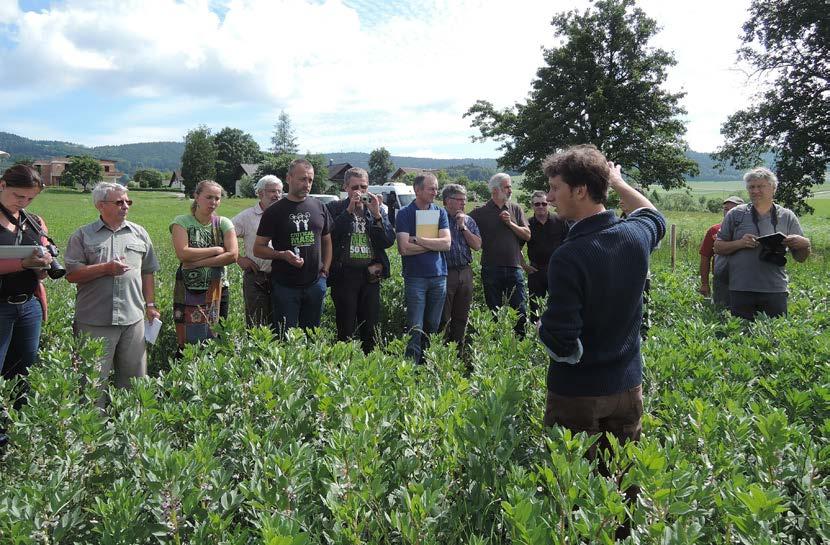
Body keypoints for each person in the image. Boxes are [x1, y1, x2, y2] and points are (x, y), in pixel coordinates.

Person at [538, 146, 665, 539]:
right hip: (628, 385)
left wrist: (543, 330)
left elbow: (562, 339)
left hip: (578, 392)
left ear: (579, 191)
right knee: (621, 481)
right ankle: (620, 535)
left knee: (572, 486)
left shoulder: (570, 254)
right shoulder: (634, 235)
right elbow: (654, 215)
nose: (549, 195)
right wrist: (617, 181)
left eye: (555, 187)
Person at [65, 182, 160, 405]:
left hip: (133, 319)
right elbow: (72, 275)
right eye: (119, 202)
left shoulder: (140, 233)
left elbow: (147, 272)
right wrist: (105, 269)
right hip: (94, 321)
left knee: (134, 382)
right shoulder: (82, 235)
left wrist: (150, 305)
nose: (125, 206)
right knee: (91, 385)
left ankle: (128, 432)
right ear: (100, 205)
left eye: (128, 201)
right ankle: (93, 436)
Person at [0, 165, 54, 446]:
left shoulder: (34, 221)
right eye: (18, 196)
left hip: (28, 305)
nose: (22, 203)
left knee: (23, 370)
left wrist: (42, 267)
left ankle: (16, 433)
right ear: (2, 185)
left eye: (30, 199)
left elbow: (43, 256)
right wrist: (22, 263)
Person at [714, 168, 811, 320]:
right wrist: (740, 243)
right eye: (751, 187)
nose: (755, 190)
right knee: (740, 337)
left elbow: (801, 258)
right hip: (741, 289)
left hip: (775, 289)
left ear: (773, 188)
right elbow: (718, 247)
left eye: (761, 186)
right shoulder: (736, 214)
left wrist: (804, 244)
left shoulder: (787, 216)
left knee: (774, 338)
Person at [254, 159, 332, 334]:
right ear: (288, 178)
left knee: (311, 338)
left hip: (315, 284)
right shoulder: (274, 211)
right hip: (285, 286)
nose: (307, 184)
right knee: (284, 337)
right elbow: (258, 248)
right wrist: (282, 255)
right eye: (302, 179)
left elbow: (327, 240)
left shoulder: (319, 207)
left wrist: (325, 272)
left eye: (310, 180)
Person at [326, 167, 395, 353]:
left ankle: (368, 367)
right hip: (344, 276)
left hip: (370, 276)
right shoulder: (334, 208)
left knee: (370, 328)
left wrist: (377, 215)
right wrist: (348, 211)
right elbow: (331, 236)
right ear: (346, 187)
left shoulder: (375, 208)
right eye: (355, 187)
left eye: (363, 186)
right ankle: (344, 368)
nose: (360, 191)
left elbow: (388, 240)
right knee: (345, 328)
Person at [170, 180, 238, 349]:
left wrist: (197, 262)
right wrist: (216, 249)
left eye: (217, 198)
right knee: (186, 339)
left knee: (216, 336)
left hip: (219, 289)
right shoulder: (181, 222)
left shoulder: (224, 223)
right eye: (208, 197)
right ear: (196, 197)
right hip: (187, 288)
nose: (213, 202)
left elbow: (233, 255)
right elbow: (183, 253)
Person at [396, 172, 451, 364]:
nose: (435, 192)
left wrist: (418, 240)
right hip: (415, 278)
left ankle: (428, 364)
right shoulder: (405, 214)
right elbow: (403, 248)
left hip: (439, 276)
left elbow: (446, 244)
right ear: (417, 190)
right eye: (431, 188)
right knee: (415, 326)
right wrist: (433, 243)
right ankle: (411, 367)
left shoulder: (440, 212)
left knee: (433, 325)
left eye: (436, 188)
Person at [469, 173, 530, 333]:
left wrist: (510, 223)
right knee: (493, 313)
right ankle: (496, 347)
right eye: (507, 187)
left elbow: (527, 235)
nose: (510, 190)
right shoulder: (480, 212)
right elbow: (463, 225)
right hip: (491, 268)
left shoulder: (515, 209)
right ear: (495, 190)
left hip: (514, 268)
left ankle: (519, 346)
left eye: (510, 186)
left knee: (520, 312)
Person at [232, 175, 283, 327]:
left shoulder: (285, 214)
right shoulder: (247, 216)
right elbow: (223, 235)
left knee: (280, 323)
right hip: (256, 277)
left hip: (282, 276)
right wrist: (239, 258)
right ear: (260, 193)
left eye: (279, 191)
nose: (277, 195)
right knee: (257, 324)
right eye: (272, 191)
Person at [439, 184, 481, 356]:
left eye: (465, 200)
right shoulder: (438, 219)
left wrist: (463, 226)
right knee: (444, 317)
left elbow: (477, 245)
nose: (464, 203)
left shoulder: (468, 220)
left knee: (461, 316)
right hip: (445, 272)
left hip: (465, 272)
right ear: (448, 201)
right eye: (460, 200)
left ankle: (458, 354)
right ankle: (442, 355)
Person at [522, 190, 569, 318]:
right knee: (535, 309)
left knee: (559, 306)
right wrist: (524, 266)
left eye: (544, 203)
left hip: (557, 270)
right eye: (537, 204)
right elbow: (516, 247)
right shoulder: (527, 224)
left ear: (548, 204)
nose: (541, 206)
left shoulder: (560, 220)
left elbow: (570, 243)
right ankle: (535, 336)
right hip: (535, 271)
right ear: (532, 206)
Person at [698, 196, 744, 307]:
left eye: (732, 209)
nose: (728, 212)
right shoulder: (714, 230)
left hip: (744, 280)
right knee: (720, 309)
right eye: (726, 209)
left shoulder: (748, 230)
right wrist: (704, 284)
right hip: (721, 279)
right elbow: (705, 257)